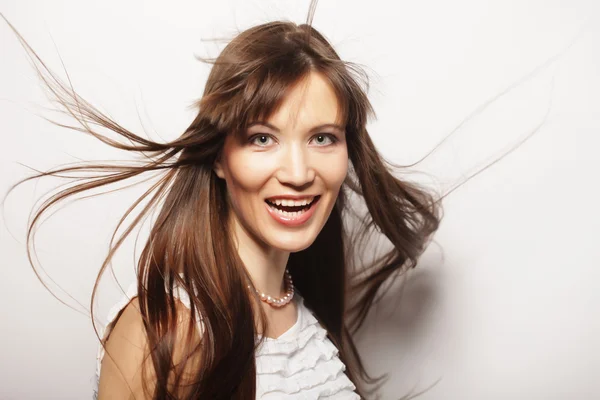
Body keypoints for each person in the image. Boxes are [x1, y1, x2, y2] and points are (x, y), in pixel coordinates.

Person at [4, 3, 442, 399]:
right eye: (262, 138)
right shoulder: (169, 331)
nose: (298, 173)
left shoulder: (300, 309)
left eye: (322, 137)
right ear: (218, 156)